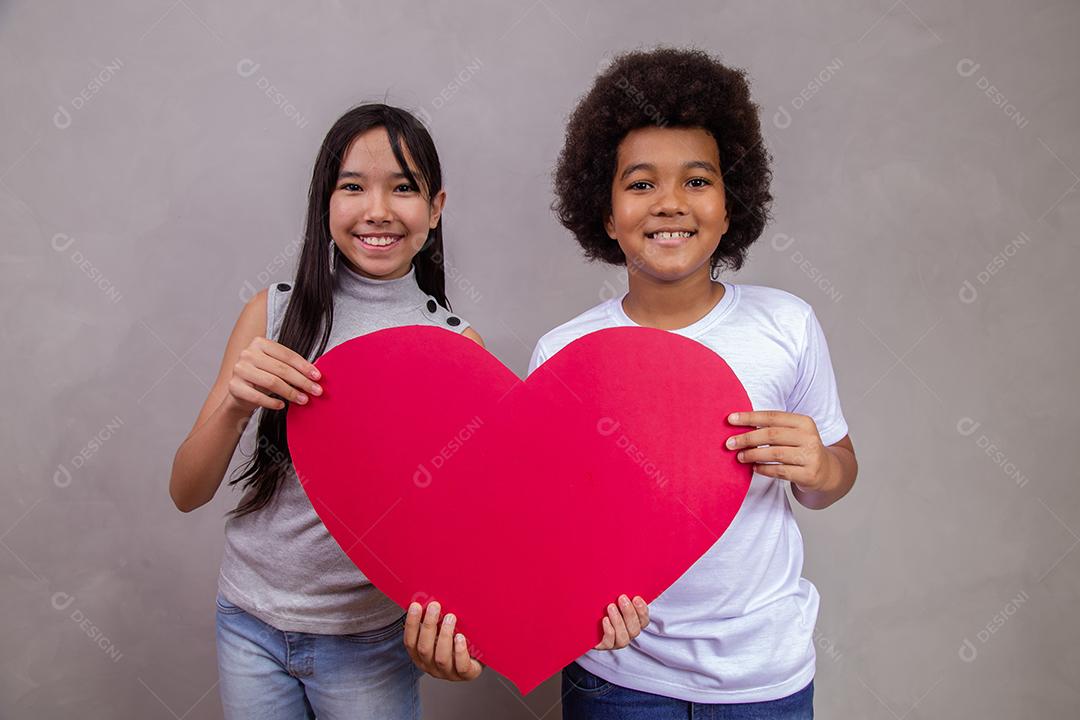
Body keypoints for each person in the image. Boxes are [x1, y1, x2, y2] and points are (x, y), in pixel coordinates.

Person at [534, 47, 859, 719]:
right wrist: (577, 600)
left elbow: (835, 476)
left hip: (763, 676)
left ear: (731, 204)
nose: (670, 203)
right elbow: (550, 523)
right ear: (605, 212)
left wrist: (822, 467)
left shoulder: (787, 325)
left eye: (697, 180)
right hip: (616, 676)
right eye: (641, 184)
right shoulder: (564, 353)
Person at [169, 103, 481, 719]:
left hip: (369, 639)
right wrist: (235, 404)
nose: (378, 210)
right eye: (353, 187)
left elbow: (468, 528)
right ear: (324, 202)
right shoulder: (274, 312)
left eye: (404, 188)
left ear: (436, 208)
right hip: (248, 621)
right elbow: (186, 491)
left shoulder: (456, 348)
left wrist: (461, 630)